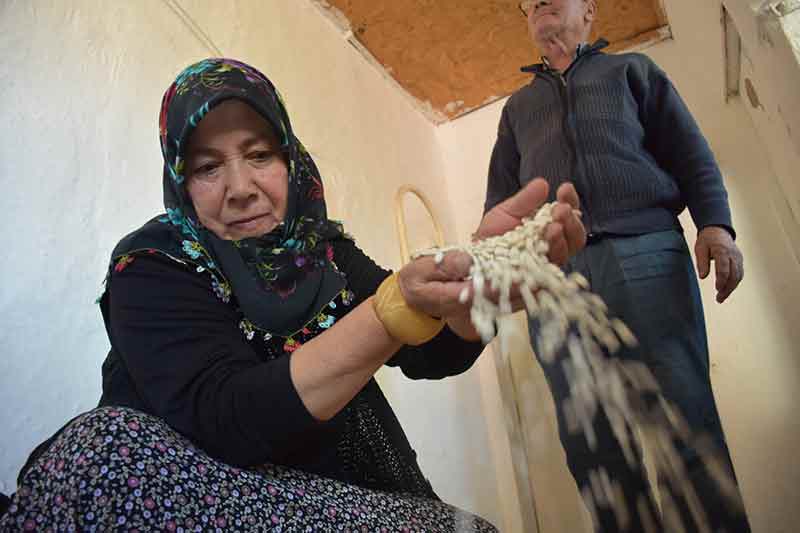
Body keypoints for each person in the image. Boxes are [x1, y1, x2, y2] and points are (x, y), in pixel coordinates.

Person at [1, 58, 585, 531]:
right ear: (180, 179)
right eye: (207, 168)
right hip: (195, 495)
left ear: (290, 159)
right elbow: (223, 416)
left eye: (260, 156)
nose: (241, 189)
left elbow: (429, 350)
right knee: (103, 451)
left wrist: (473, 290)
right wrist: (390, 314)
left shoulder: (324, 254)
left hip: (340, 501)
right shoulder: (154, 262)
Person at [485, 1, 750, 531]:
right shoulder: (516, 109)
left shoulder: (633, 71)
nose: (536, 3)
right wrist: (499, 267)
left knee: (684, 421)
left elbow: (691, 153)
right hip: (554, 278)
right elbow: (500, 203)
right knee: (592, 445)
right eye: (527, 3)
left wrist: (715, 225)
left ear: (590, 12)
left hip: (646, 251)